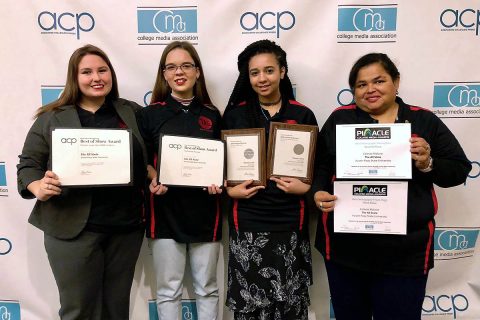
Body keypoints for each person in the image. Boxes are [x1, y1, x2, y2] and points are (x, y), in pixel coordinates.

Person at [312, 53, 472, 319]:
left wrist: (428, 162)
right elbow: (320, 165)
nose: (370, 89)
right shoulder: (340, 119)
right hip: (346, 251)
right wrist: (317, 192)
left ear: (396, 82)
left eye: (379, 81)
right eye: (361, 85)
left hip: (405, 254)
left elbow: (459, 169)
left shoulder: (423, 121)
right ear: (353, 90)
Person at [17, 44, 148, 320]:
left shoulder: (132, 112)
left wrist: (155, 169)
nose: (96, 77)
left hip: (125, 229)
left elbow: (152, 153)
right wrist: (37, 186)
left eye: (103, 70)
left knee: (116, 311)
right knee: (79, 311)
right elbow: (28, 165)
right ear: (74, 78)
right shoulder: (52, 116)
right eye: (86, 72)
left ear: (111, 73)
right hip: (71, 229)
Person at [223, 39, 318, 320]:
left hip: (290, 224)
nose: (262, 78)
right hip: (248, 224)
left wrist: (307, 187)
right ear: (247, 77)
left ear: (283, 72)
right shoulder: (235, 116)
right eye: (255, 73)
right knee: (250, 307)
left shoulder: (302, 114)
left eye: (269, 70)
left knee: (289, 306)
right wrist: (230, 191)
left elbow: (317, 167)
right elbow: (219, 168)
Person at [137, 41, 222, 320]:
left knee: (207, 288)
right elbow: (144, 161)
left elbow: (224, 161)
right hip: (164, 212)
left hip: (206, 212)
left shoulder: (213, 115)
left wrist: (217, 180)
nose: (179, 72)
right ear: (164, 74)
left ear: (197, 71)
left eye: (186, 65)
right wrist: (153, 178)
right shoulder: (149, 115)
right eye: (171, 67)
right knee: (168, 290)